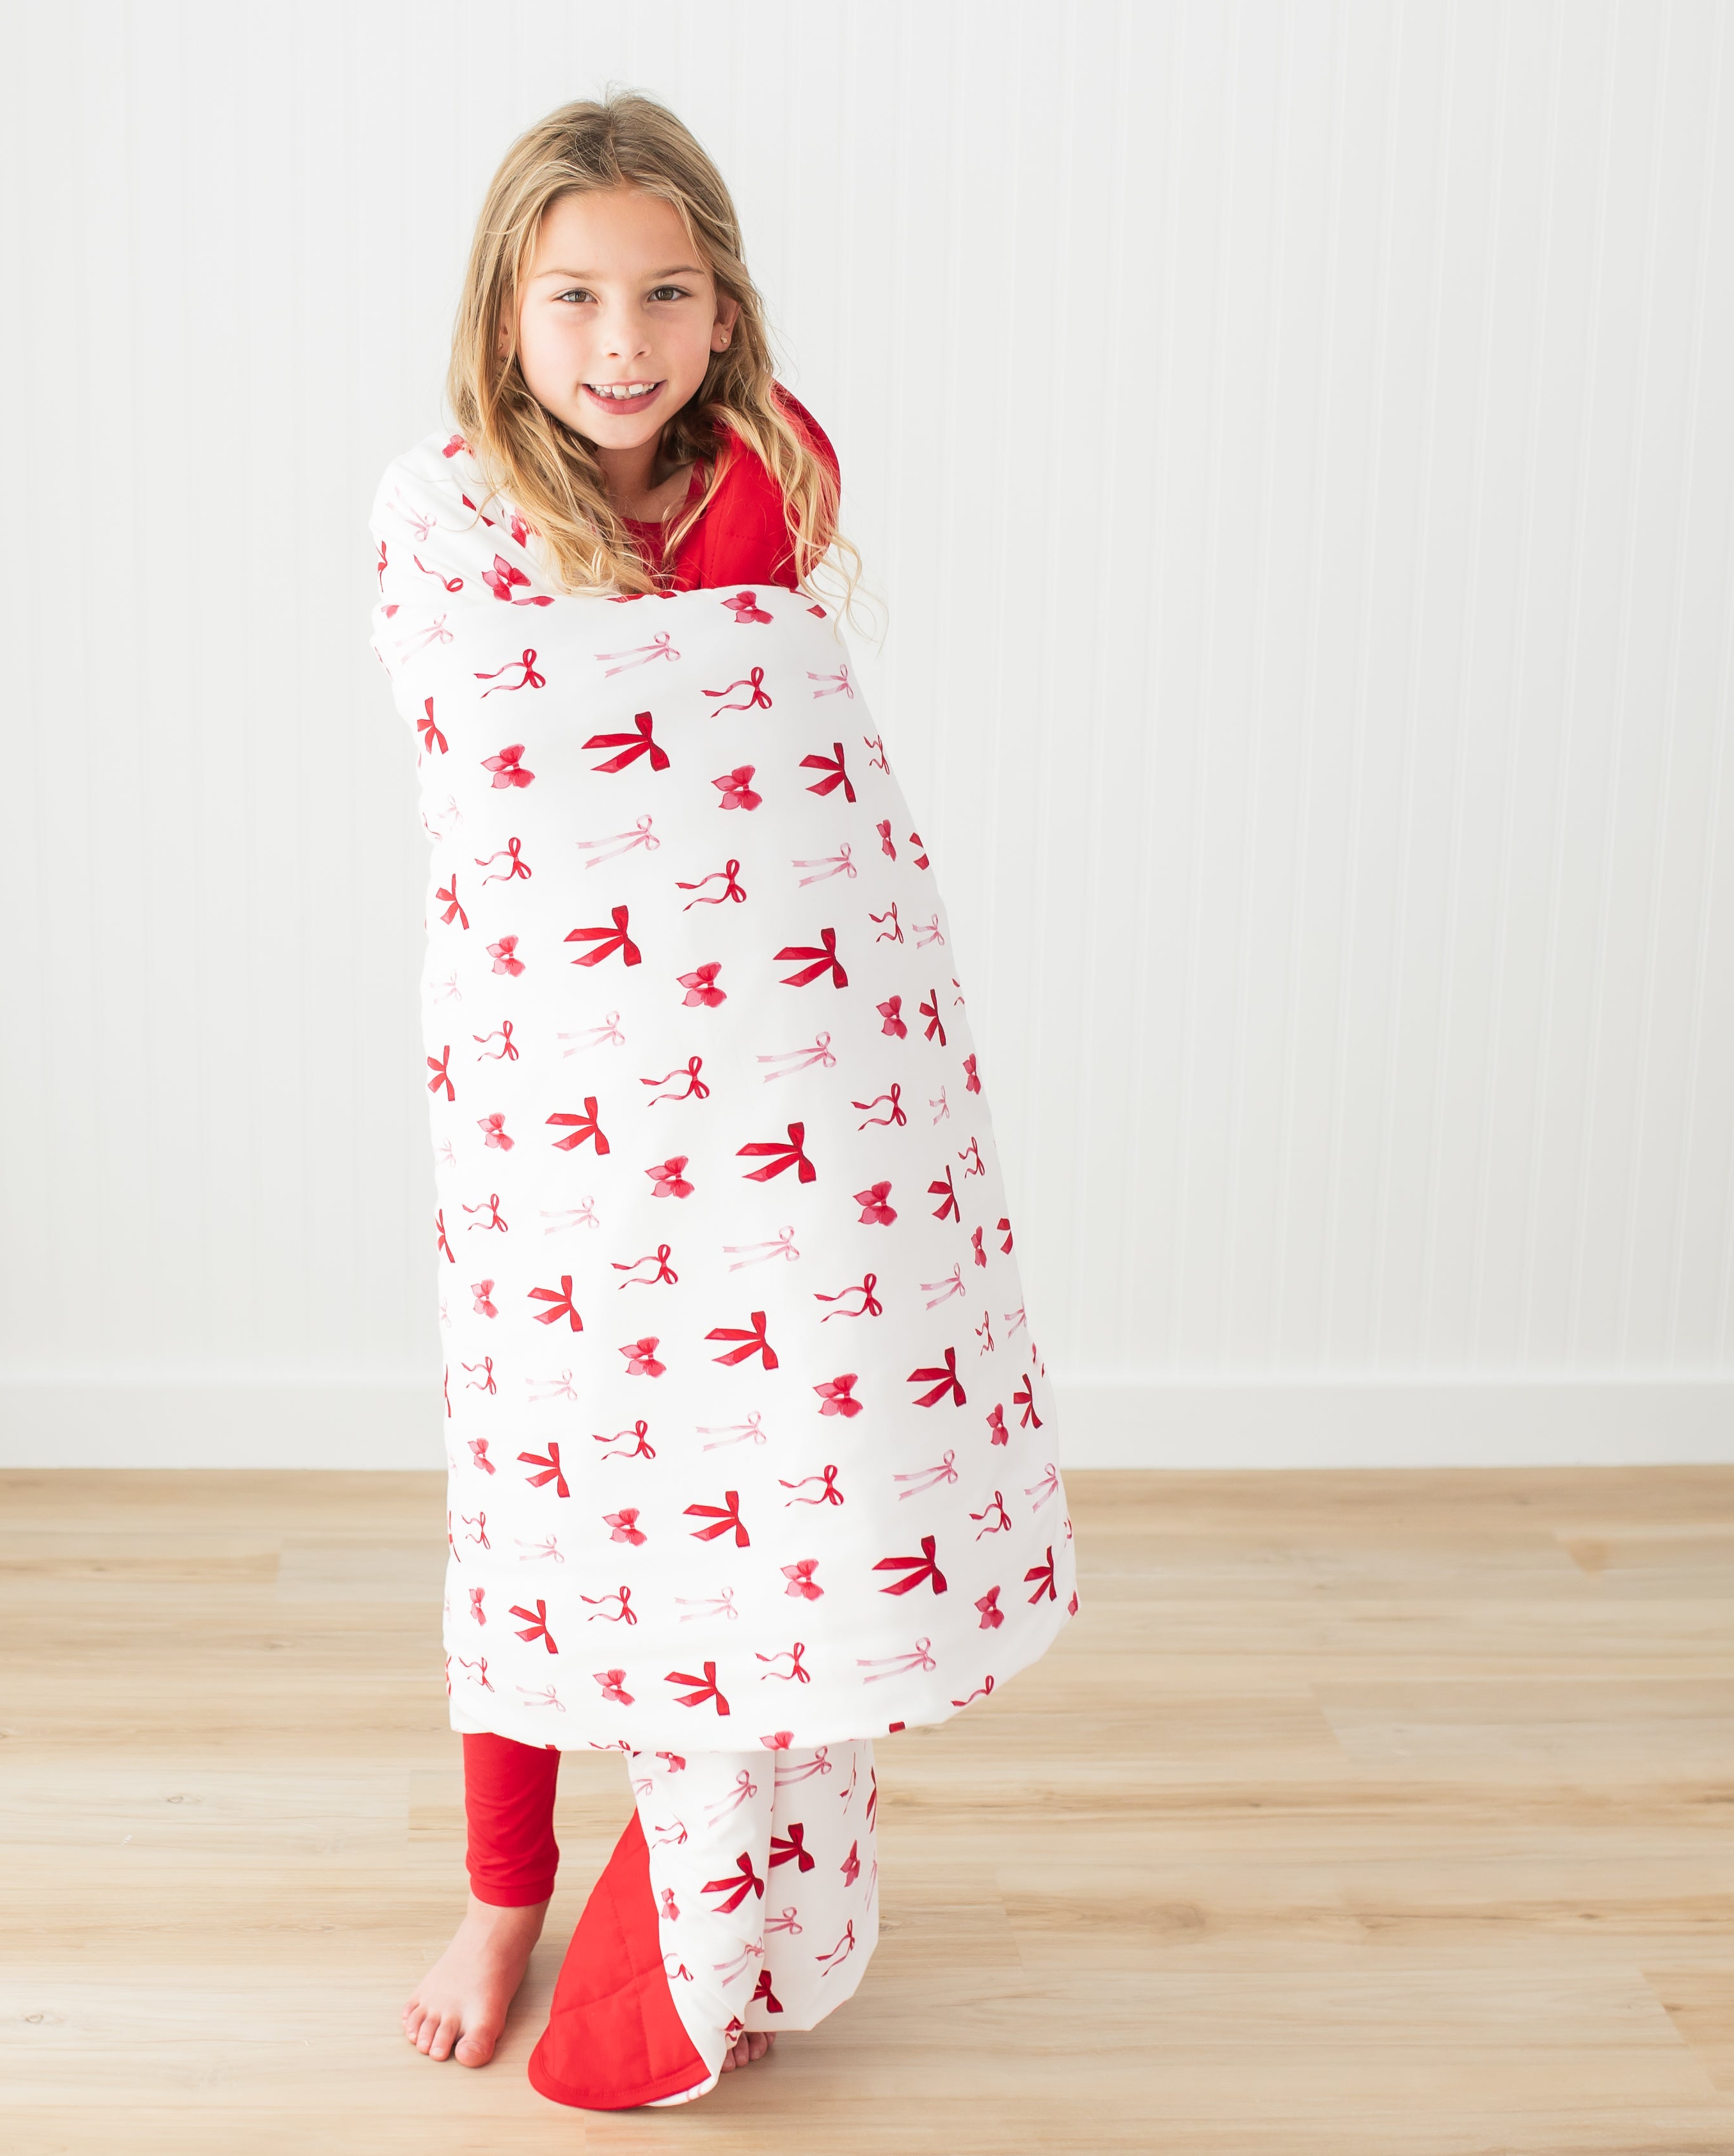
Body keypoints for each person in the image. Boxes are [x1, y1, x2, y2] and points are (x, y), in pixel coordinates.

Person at [366, 91, 1078, 2112]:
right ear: (503, 314)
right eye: (576, 296)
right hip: (559, 1088)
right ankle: (502, 1890)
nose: (623, 341)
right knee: (545, 1475)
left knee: (764, 1466)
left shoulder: (772, 470)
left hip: (784, 1075)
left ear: (723, 306)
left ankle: (718, 1870)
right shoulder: (441, 511)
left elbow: (771, 777)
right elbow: (523, 775)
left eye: (667, 294)